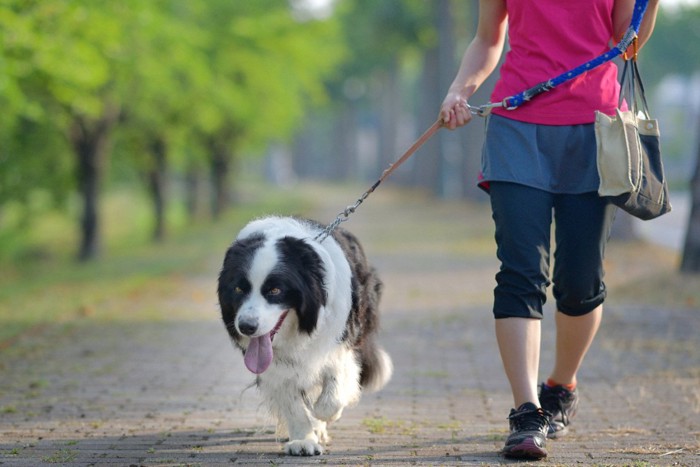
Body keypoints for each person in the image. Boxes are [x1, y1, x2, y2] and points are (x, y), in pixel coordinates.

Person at [439, 0, 659, 460]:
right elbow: (487, 38)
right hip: (517, 127)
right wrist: (460, 89)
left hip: (595, 132)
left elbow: (626, 44)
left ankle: (561, 385)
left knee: (581, 282)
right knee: (520, 271)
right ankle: (526, 411)